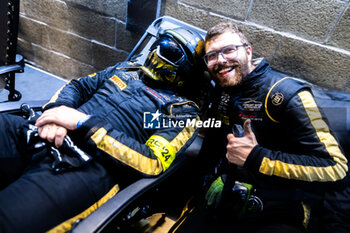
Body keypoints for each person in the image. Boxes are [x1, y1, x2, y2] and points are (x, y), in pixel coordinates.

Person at [0, 27, 206, 233]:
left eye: (168, 50)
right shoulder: (126, 70)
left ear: (186, 67)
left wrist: (83, 123)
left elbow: (152, 160)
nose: (156, 52)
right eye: (158, 44)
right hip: (45, 131)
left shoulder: (182, 111)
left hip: (87, 167)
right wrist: (57, 113)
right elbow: (77, 86)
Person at [170, 22, 350, 233]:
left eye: (228, 50)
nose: (220, 60)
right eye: (212, 55)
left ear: (248, 51)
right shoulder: (223, 90)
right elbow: (213, 144)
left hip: (280, 203)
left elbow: (336, 169)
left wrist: (257, 157)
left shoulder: (287, 95)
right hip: (228, 191)